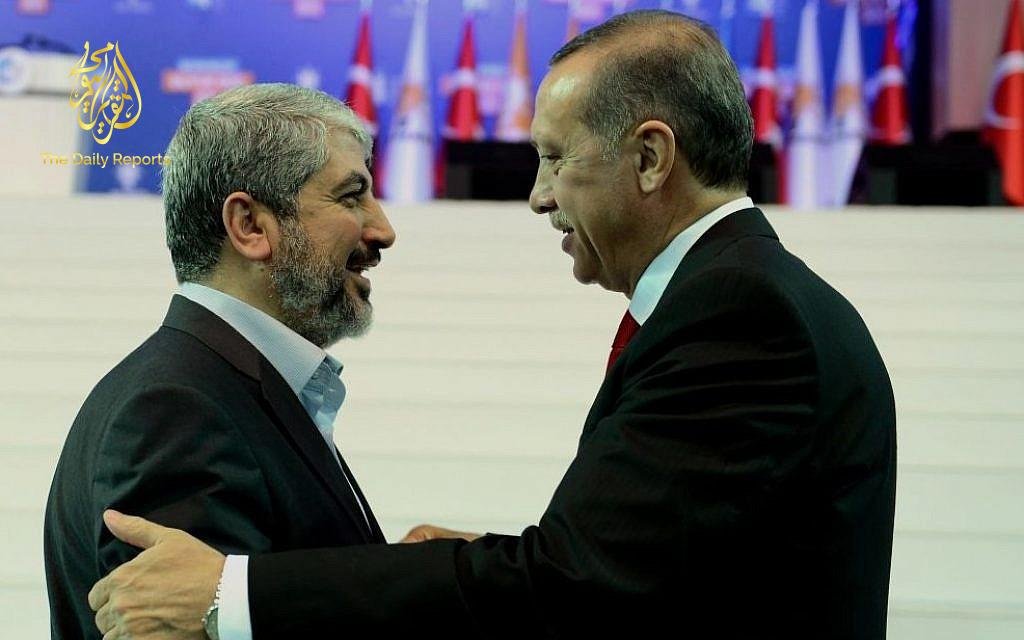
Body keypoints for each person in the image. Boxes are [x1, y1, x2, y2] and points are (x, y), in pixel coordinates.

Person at [88, 10, 896, 640]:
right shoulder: (745, 297)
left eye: (555, 158)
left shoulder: (741, 315)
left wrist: (229, 594)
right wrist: (478, 568)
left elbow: (577, 587)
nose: (538, 196)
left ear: (651, 158)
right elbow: (650, 573)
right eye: (351, 196)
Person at [44, 83, 396, 638]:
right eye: (352, 197)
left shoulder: (209, 387)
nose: (383, 230)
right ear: (249, 226)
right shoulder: (177, 410)